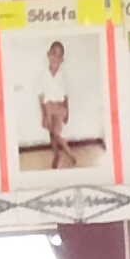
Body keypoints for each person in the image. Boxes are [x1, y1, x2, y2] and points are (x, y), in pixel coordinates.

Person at [36, 38, 76, 173]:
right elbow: (41, 96)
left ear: (62, 60)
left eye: (59, 56)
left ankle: (69, 153)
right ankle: (57, 155)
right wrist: (44, 113)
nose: (55, 59)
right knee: (51, 136)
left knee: (57, 133)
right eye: (54, 54)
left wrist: (67, 111)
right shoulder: (43, 76)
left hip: (59, 108)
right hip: (48, 108)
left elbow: (66, 95)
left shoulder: (63, 76)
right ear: (48, 55)